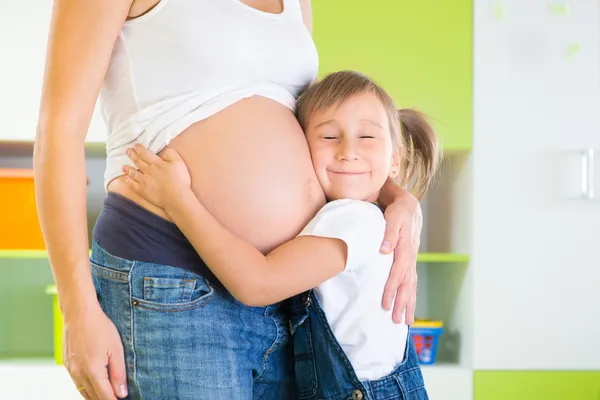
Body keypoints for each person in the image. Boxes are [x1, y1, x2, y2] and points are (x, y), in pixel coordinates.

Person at [34, 1, 424, 399]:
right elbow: (57, 131)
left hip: (289, 299)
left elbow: (316, 120)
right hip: (172, 273)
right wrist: (76, 309)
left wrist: (394, 198)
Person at [123, 70, 437, 399]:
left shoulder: (354, 221)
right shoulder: (361, 216)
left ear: (395, 161)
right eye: (329, 137)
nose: (348, 151)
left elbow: (258, 284)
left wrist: (178, 200)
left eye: (367, 138)